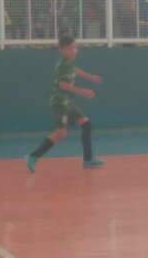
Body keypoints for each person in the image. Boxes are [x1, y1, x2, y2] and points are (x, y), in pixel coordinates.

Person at [26, 35, 105, 172]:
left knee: (86, 124)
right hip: (60, 103)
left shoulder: (68, 63)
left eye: (75, 47)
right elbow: (63, 85)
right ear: (62, 50)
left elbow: (75, 70)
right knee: (61, 133)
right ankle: (33, 156)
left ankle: (88, 160)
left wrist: (91, 77)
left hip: (67, 102)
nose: (74, 50)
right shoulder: (63, 65)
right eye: (71, 48)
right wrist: (83, 92)